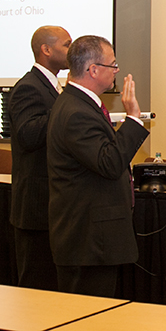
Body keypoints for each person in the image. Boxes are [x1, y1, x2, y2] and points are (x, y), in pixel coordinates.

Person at [47, 35, 149, 297]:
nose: (117, 71)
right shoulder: (76, 112)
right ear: (93, 70)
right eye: (112, 65)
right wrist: (134, 119)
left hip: (91, 241)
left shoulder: (77, 103)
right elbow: (110, 163)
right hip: (87, 243)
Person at [8, 26, 71, 290]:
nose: (72, 50)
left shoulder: (54, 87)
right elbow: (28, 135)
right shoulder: (28, 87)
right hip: (36, 208)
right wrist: (67, 105)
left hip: (53, 207)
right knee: (36, 289)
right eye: (67, 45)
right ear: (46, 49)